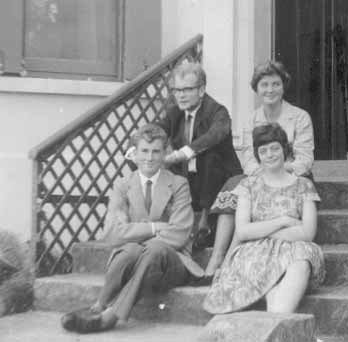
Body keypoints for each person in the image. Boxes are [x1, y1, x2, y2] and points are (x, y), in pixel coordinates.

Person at [61, 123, 204, 333]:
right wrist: (154, 227)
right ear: (134, 154)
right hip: (135, 259)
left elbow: (179, 233)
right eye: (144, 151)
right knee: (131, 250)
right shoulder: (122, 185)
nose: (149, 157)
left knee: (153, 248)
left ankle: (109, 315)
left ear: (165, 154)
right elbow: (112, 233)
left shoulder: (178, 183)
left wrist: (136, 233)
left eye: (156, 151)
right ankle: (99, 305)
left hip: (172, 262)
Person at [203, 60, 315, 278]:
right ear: (256, 89)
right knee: (233, 185)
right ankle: (217, 256)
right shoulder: (251, 119)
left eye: (275, 84)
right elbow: (247, 158)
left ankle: (229, 261)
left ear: (283, 86)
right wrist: (263, 174)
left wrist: (279, 170)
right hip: (260, 175)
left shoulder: (300, 117)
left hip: (292, 176)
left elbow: (305, 158)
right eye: (264, 85)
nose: (270, 90)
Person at [203, 123, 324, 314]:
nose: (270, 154)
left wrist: (259, 231)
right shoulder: (247, 185)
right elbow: (242, 231)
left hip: (294, 247)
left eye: (275, 148)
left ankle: (276, 316)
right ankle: (275, 312)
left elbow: (307, 232)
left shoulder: (304, 185)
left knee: (301, 261)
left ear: (285, 150)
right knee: (260, 266)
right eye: (264, 150)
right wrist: (283, 220)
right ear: (258, 155)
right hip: (254, 251)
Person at [159, 62, 243, 245]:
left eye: (187, 89)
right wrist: (135, 147)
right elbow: (156, 130)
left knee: (208, 155)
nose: (181, 95)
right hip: (192, 182)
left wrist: (180, 154)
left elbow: (215, 135)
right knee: (151, 160)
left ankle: (204, 224)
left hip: (221, 184)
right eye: (177, 90)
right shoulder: (175, 112)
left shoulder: (217, 111)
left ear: (201, 90)